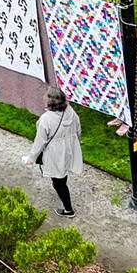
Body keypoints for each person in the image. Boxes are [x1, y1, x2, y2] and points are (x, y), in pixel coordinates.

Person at [26, 88, 83, 216]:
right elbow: (78, 130)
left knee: (58, 181)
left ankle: (68, 210)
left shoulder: (46, 119)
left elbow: (40, 142)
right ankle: (63, 191)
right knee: (62, 176)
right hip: (69, 148)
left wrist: (31, 158)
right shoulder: (70, 112)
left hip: (55, 152)